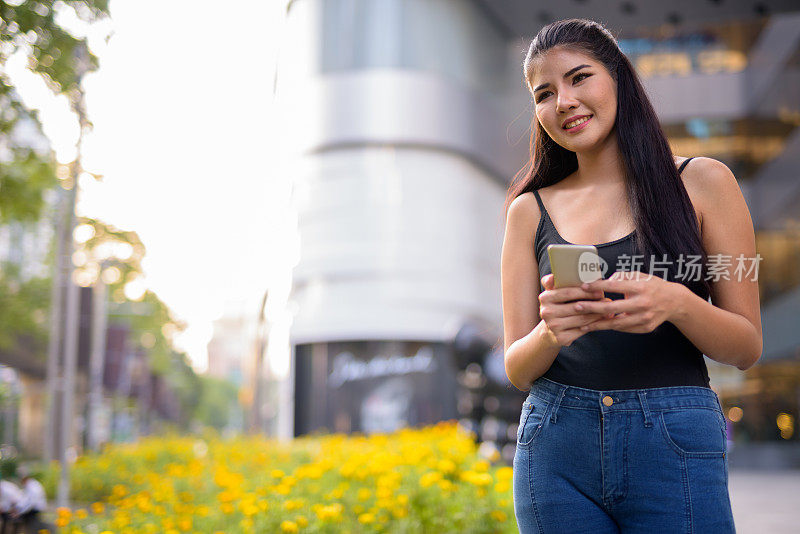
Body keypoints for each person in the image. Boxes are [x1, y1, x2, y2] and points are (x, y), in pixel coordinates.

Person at [501, 18, 761, 534]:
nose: (564, 102)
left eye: (580, 78)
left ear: (618, 77)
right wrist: (551, 332)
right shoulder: (528, 211)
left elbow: (746, 346)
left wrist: (677, 303)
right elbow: (517, 367)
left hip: (674, 439)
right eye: (544, 93)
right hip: (556, 444)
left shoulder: (704, 182)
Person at [12, 467, 49, 534]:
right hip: (32, 509)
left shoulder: (33, 486)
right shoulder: (29, 485)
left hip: (34, 510)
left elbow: (31, 503)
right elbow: (25, 500)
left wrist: (20, 512)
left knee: (32, 528)